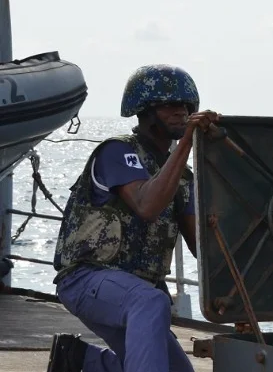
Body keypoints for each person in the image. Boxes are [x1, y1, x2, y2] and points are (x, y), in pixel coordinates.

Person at [46, 64, 221, 372]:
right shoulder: (118, 151)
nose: (180, 111)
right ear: (145, 111)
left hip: (133, 292)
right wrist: (187, 145)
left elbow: (205, 249)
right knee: (151, 302)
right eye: (169, 105)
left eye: (185, 105)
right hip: (87, 279)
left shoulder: (183, 178)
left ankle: (80, 361)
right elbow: (146, 205)